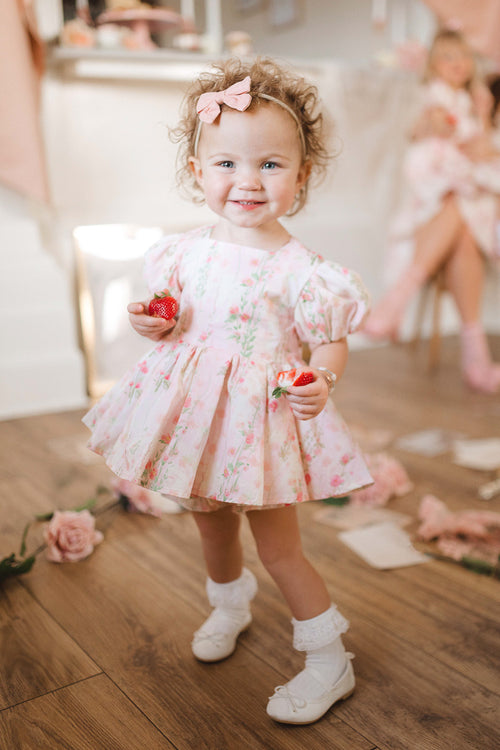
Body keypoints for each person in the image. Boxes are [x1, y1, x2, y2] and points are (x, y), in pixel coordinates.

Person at [83, 56, 372, 725]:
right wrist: (153, 321)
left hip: (258, 423)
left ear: (301, 178)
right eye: (227, 165)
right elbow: (171, 318)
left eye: (270, 165)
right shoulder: (182, 254)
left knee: (279, 546)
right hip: (196, 421)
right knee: (209, 523)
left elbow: (329, 340)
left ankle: (330, 658)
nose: (247, 181)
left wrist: (321, 379)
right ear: (197, 172)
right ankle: (228, 602)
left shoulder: (304, 272)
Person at [364, 29, 500, 394]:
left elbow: (485, 151)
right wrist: (436, 126)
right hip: (439, 199)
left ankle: (395, 301)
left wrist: (484, 115)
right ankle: (477, 360)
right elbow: (422, 132)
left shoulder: (476, 101)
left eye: (463, 57)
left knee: (464, 220)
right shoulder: (433, 98)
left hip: (470, 198)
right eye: (447, 58)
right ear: (433, 66)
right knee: (461, 223)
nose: (457, 65)